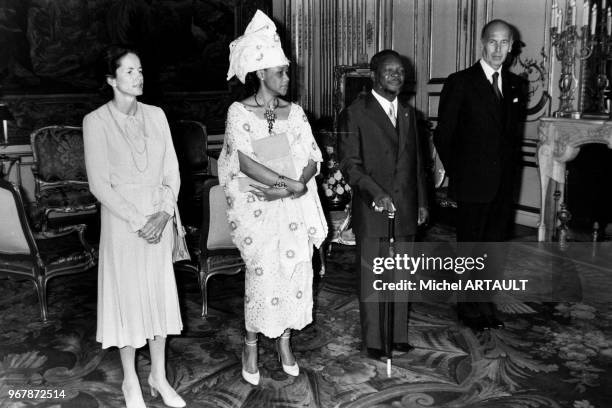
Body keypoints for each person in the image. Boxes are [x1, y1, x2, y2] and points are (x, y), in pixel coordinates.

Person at [218, 10, 328, 386]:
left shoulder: (294, 112)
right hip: (258, 207)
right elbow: (244, 161)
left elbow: (312, 157)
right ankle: (251, 342)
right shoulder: (239, 112)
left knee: (296, 273)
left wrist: (296, 185)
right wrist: (285, 184)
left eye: (287, 71)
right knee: (263, 275)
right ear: (261, 73)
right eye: (281, 71)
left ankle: (284, 342)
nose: (287, 77)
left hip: (291, 208)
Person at [83, 46, 185, 408]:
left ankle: (158, 375)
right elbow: (99, 184)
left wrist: (163, 214)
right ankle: (130, 382)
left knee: (157, 297)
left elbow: (171, 171)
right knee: (127, 300)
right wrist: (140, 221)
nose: (138, 77)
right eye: (128, 72)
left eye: (140, 70)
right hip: (123, 224)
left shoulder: (157, 116)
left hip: (159, 218)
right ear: (111, 79)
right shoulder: (95, 122)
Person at [433, 19, 527, 331]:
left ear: (511, 47)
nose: (499, 49)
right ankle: (467, 308)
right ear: (482, 43)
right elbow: (443, 136)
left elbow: (511, 137)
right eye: (493, 42)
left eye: (505, 43)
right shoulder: (460, 82)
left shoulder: (516, 85)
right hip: (473, 183)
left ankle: (485, 305)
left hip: (503, 186)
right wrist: (461, 173)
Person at [338, 49, 428, 359]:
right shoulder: (355, 112)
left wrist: (422, 202)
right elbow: (350, 163)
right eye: (389, 70)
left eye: (401, 71)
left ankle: (398, 336)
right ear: (374, 75)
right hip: (372, 207)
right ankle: (375, 340)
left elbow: (417, 165)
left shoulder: (409, 114)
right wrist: (375, 193)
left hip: (406, 206)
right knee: (373, 275)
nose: (396, 76)